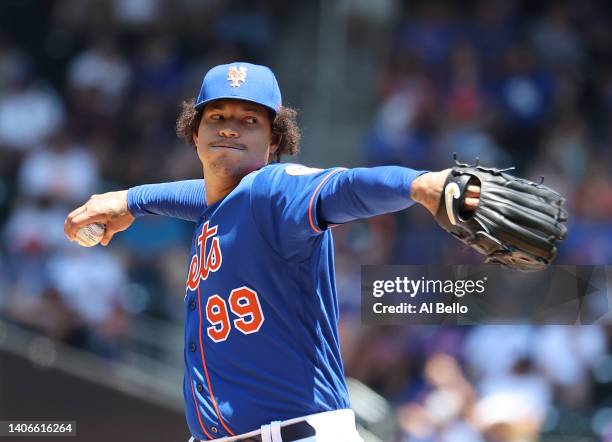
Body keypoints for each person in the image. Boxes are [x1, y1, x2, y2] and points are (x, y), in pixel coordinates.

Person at [64, 62, 480, 442]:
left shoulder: (273, 189)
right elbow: (201, 195)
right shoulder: (215, 203)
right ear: (195, 134)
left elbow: (344, 187)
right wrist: (131, 199)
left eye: (249, 121)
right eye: (217, 117)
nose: (230, 129)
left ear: (274, 139)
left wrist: (420, 185)